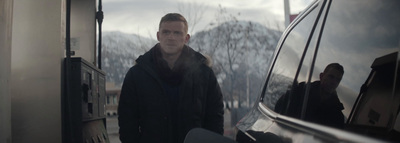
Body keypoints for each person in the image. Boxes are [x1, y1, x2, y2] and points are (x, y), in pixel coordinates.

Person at [118, 13, 224, 143]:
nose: (171, 37)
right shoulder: (137, 75)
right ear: (158, 36)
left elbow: (215, 118)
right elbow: (127, 120)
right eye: (166, 32)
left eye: (177, 33)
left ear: (186, 38)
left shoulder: (204, 75)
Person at [275, 63, 345, 129]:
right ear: (321, 76)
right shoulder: (300, 92)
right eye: (331, 77)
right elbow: (278, 112)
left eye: (338, 80)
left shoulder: (337, 115)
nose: (334, 82)